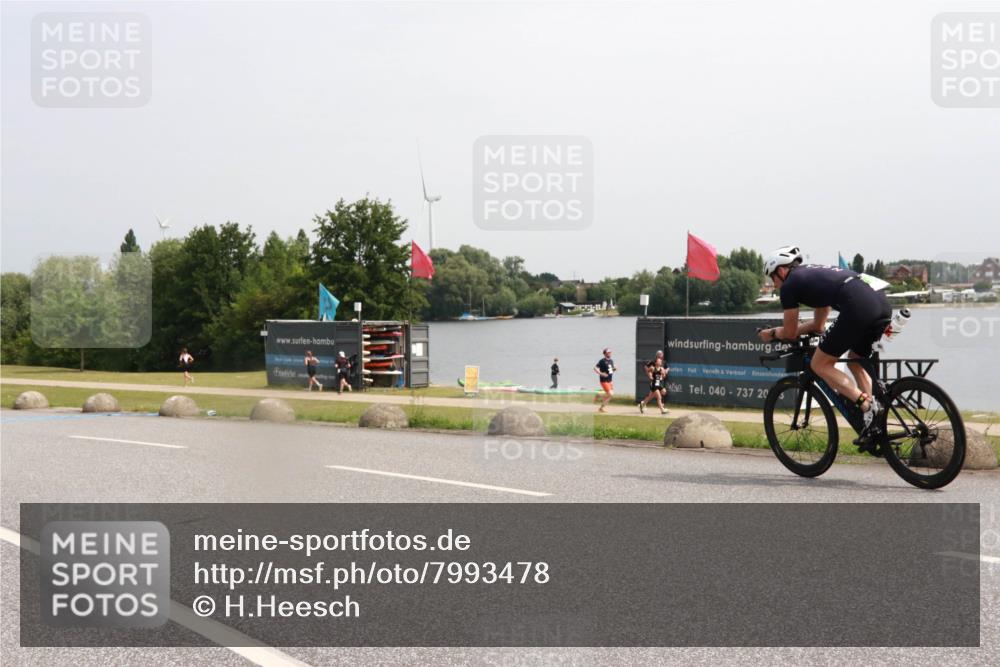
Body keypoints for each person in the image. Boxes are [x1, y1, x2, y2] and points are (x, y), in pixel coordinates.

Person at [757, 245, 891, 451]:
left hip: (858, 306)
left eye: (772, 278)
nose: (774, 285)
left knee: (820, 364)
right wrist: (800, 330)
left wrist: (772, 334)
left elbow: (790, 332)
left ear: (781, 271)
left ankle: (866, 404)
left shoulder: (790, 285)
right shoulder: (813, 276)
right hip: (881, 302)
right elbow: (818, 326)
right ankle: (873, 422)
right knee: (856, 360)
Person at [593, 348, 616, 412]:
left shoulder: (611, 361)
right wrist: (601, 373)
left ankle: (601, 406)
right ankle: (601, 406)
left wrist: (614, 369)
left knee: (610, 395)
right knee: (610, 394)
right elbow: (595, 368)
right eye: (608, 352)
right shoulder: (602, 361)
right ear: (605, 354)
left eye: (610, 352)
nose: (609, 353)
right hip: (604, 380)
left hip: (610, 380)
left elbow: (610, 371)